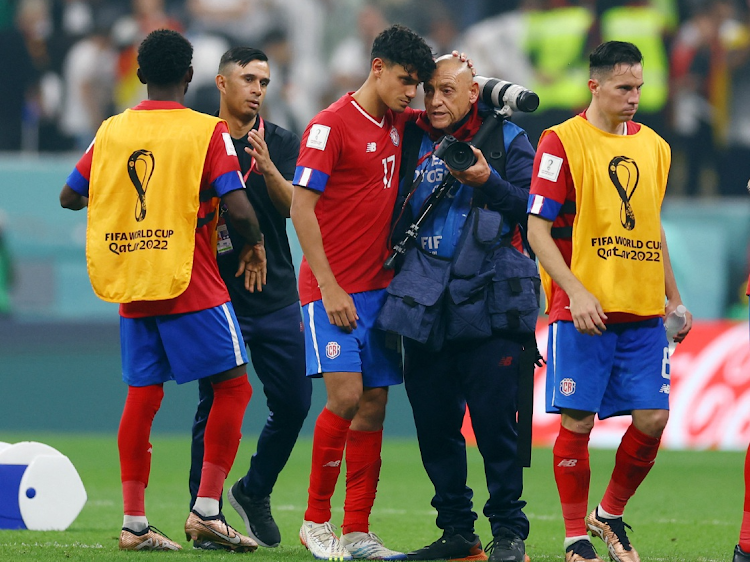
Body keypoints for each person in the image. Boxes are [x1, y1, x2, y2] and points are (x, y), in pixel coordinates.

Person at [59, 29, 263, 552]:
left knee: (142, 398)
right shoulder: (206, 130)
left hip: (134, 280)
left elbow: (69, 195)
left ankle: (133, 523)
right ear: (191, 78)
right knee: (235, 386)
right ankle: (208, 511)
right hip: (189, 280)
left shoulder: (111, 130)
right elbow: (238, 209)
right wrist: (255, 243)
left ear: (141, 75)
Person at [526, 41, 692, 562]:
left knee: (653, 419)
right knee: (577, 422)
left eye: (639, 87)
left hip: (642, 312)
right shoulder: (561, 143)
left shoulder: (657, 147)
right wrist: (573, 293)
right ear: (594, 85)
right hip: (584, 311)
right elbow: (536, 229)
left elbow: (650, 226)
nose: (635, 97)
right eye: (624, 87)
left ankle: (610, 514)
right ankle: (576, 535)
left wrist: (674, 298)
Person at [290, 24, 435, 561]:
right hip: (330, 290)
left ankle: (356, 532)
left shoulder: (401, 123)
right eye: (404, 80)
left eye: (417, 83)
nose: (411, 92)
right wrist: (329, 287)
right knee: (345, 398)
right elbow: (301, 208)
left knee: (373, 404)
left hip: (380, 291)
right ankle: (314, 521)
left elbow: (453, 110)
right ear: (377, 68)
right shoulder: (329, 127)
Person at [395, 56, 536, 562]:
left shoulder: (508, 141)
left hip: (492, 299)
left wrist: (487, 182)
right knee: (433, 424)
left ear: (474, 92)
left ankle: (508, 534)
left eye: (447, 91)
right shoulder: (409, 135)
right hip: (422, 300)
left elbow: (538, 208)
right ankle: (458, 532)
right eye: (428, 91)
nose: (435, 102)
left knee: (496, 425)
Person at [187, 46, 311, 550]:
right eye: (249, 79)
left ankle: (253, 490)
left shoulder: (279, 141)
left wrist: (268, 169)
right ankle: (203, 511)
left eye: (264, 80)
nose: (258, 89)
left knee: (295, 402)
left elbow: (296, 210)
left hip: (276, 292)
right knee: (212, 402)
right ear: (221, 83)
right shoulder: (198, 141)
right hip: (217, 294)